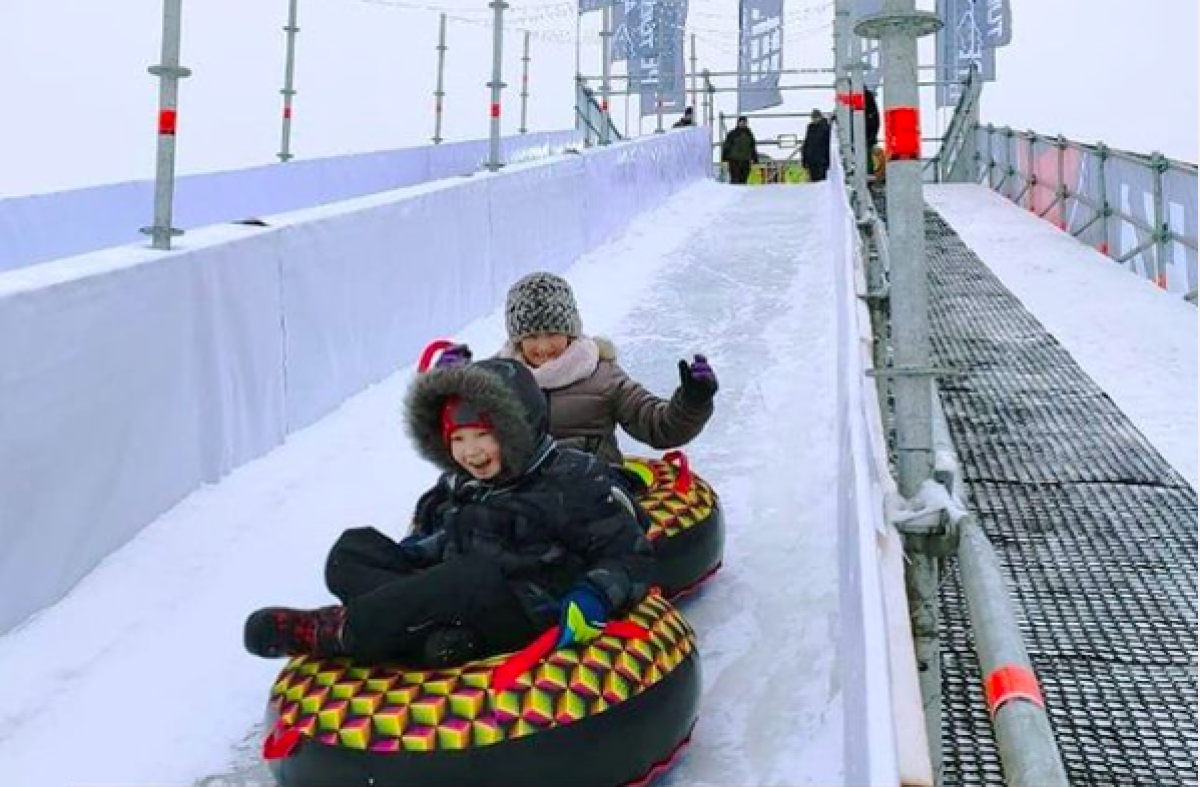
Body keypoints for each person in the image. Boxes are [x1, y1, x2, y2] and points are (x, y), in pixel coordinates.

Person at [243, 358, 653, 666]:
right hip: (461, 596)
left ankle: (337, 631)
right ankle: (435, 640)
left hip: (531, 610)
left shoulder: (572, 480)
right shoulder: (463, 481)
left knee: (468, 577)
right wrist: (410, 557)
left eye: (483, 436)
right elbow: (445, 534)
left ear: (517, 431)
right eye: (458, 438)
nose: (470, 451)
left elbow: (629, 551)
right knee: (353, 548)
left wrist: (593, 594)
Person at [721, 116, 759, 185]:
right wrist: (724, 159)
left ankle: (742, 195)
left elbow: (752, 147)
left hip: (746, 160)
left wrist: (755, 159)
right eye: (741, 122)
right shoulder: (732, 133)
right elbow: (726, 146)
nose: (743, 123)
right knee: (735, 180)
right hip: (734, 161)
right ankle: (734, 195)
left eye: (745, 122)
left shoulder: (749, 134)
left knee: (744, 180)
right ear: (738, 123)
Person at [801, 109, 832, 183]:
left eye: (815, 117)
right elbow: (806, 143)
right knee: (814, 182)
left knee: (821, 182)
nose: (814, 119)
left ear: (820, 117)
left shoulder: (825, 127)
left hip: (821, 161)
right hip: (812, 160)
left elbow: (827, 145)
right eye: (813, 118)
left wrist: (827, 160)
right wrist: (804, 159)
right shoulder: (810, 127)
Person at [864, 87, 880, 175]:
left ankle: (870, 177)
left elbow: (874, 120)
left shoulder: (865, 96)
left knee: (868, 157)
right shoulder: (868, 96)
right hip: (868, 135)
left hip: (867, 135)